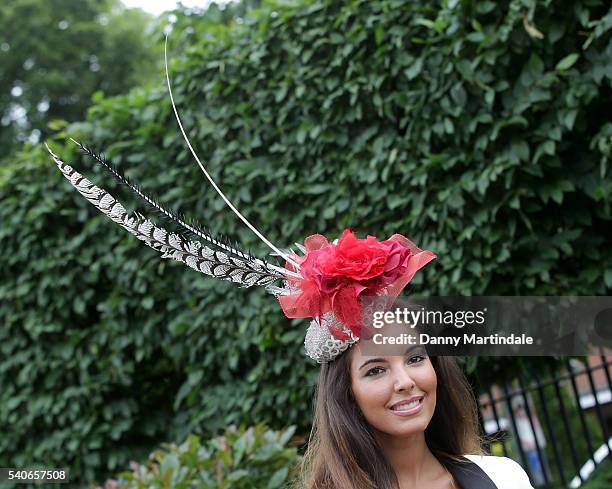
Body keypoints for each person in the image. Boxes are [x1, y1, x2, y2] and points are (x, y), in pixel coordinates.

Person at [296, 343, 535, 489]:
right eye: (376, 370)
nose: (406, 381)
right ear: (347, 394)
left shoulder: (503, 478)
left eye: (415, 358)